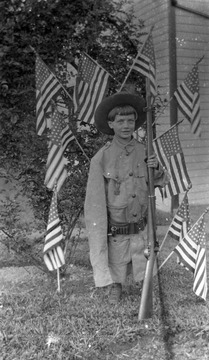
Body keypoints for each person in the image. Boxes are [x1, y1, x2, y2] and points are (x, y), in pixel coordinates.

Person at [84, 87, 170, 304]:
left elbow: (160, 182)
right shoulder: (101, 159)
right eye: (120, 121)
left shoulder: (144, 151)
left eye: (130, 121)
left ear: (135, 123)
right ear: (111, 124)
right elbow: (95, 205)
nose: (126, 126)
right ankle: (115, 284)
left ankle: (143, 281)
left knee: (141, 253)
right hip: (117, 227)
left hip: (140, 225)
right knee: (118, 256)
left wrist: (156, 168)